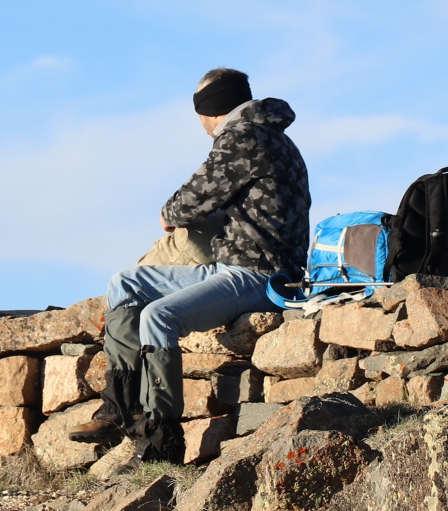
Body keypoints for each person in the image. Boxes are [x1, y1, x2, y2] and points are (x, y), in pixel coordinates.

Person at [70, 67, 310, 462]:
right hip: (239, 264)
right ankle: (121, 407)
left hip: (258, 274)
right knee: (126, 283)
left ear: (210, 108)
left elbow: (183, 205)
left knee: (158, 317)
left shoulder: (241, 138)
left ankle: (160, 441)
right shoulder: (276, 138)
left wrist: (170, 213)